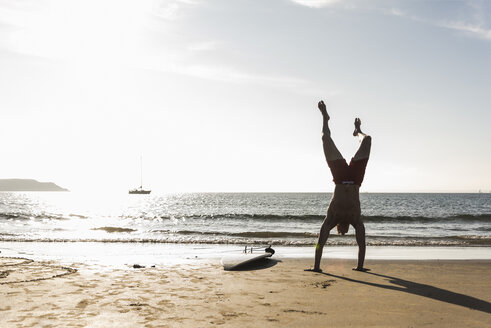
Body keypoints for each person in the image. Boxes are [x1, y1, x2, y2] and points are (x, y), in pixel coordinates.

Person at [307, 100, 371, 273]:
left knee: (325, 138)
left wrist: (316, 266)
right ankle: (359, 132)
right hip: (356, 178)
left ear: (337, 227)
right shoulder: (355, 219)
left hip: (340, 176)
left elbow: (320, 240)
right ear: (347, 227)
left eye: (339, 231)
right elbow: (362, 242)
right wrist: (359, 267)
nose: (342, 231)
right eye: (344, 231)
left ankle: (328, 119)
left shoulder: (331, 218)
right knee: (368, 140)